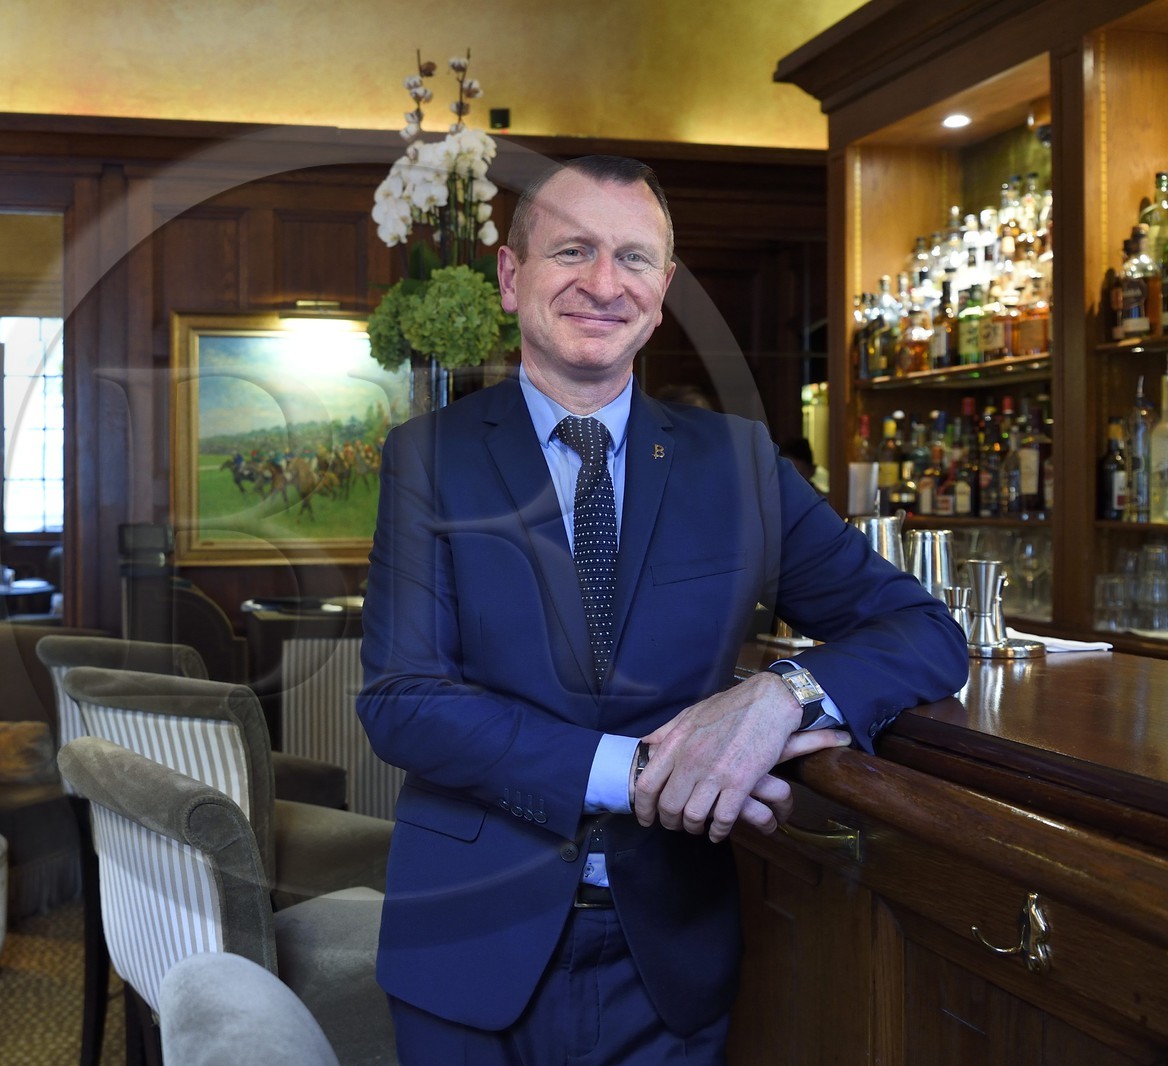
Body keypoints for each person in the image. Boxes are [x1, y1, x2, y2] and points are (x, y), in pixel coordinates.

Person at [357, 156, 968, 1064]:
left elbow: (925, 630)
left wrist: (778, 698)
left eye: (634, 259)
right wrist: (638, 770)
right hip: (468, 938)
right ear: (511, 274)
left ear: (664, 288)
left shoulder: (740, 465)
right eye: (573, 250)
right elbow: (402, 698)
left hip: (670, 956)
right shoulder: (428, 457)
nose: (604, 284)